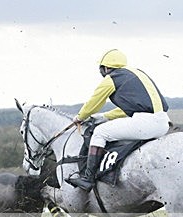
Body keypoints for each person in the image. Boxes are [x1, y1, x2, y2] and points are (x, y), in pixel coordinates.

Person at [67, 49, 170, 191]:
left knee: (100, 132)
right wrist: (104, 116)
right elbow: (132, 107)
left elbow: (94, 102)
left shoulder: (112, 78)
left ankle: (88, 178)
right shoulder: (138, 73)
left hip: (146, 122)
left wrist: (80, 117)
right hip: (162, 122)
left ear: (106, 68)